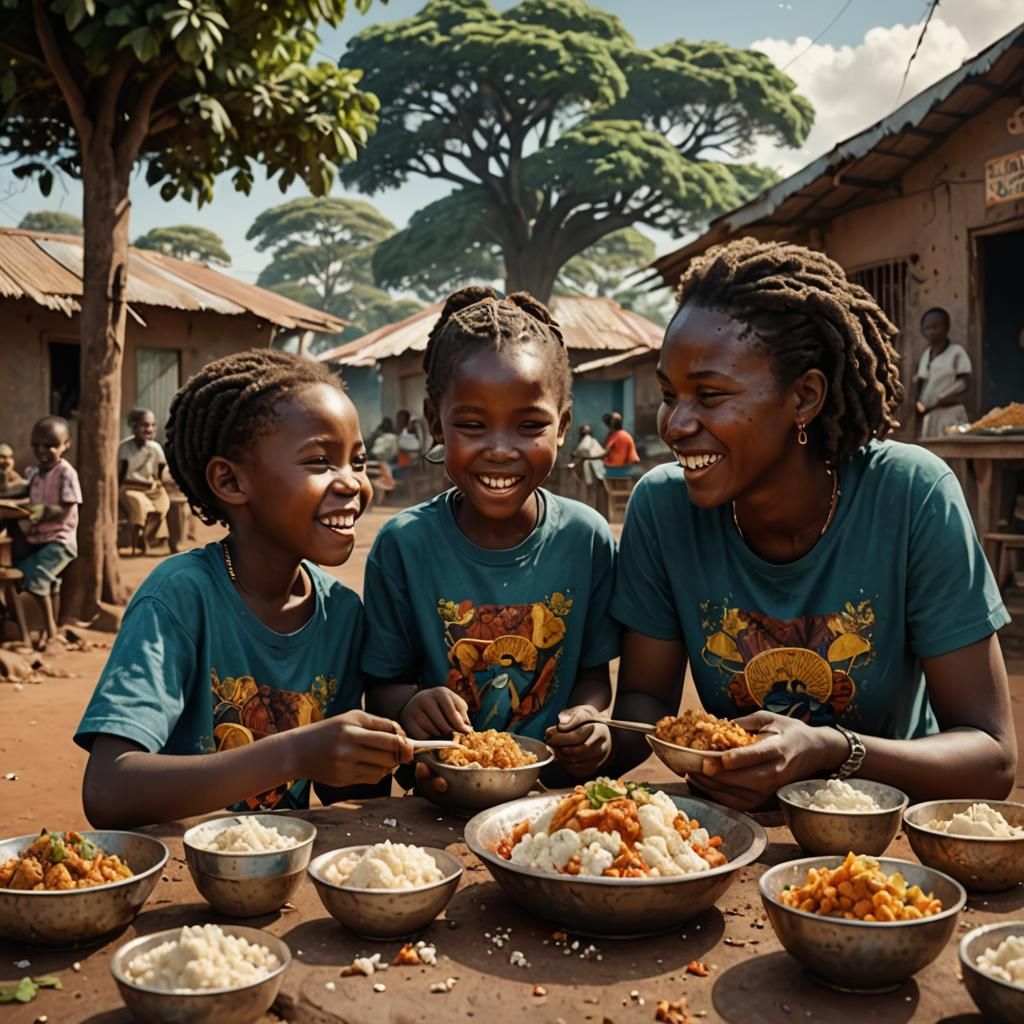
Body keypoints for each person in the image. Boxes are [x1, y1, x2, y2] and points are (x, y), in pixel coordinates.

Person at [607, 238, 1015, 810]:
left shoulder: (911, 497)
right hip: (735, 837)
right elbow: (645, 701)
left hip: (883, 849)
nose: (675, 425)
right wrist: (597, 738)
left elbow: (991, 758)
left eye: (710, 395)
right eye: (670, 394)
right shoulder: (664, 508)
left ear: (804, 397)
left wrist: (830, 750)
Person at [75, 350, 412, 828]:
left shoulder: (341, 613)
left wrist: (382, 751)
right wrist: (294, 752)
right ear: (230, 481)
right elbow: (108, 789)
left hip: (278, 881)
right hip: (185, 877)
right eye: (320, 461)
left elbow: (347, 795)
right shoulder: (178, 599)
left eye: (356, 461)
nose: (352, 483)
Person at [363, 288, 620, 779]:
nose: (500, 449)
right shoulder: (403, 545)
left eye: (529, 425)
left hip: (557, 803)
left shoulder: (585, 539)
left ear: (562, 426)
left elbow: (592, 679)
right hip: (440, 797)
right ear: (437, 426)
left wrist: (590, 720)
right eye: (473, 425)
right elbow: (382, 688)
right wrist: (413, 704)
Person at [13, 417, 82, 649]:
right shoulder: (33, 473)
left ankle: (50, 632)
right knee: (50, 584)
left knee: (36, 577)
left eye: (50, 445)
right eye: (36, 446)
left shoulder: (66, 473)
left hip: (59, 540)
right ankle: (46, 632)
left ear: (66, 445)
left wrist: (42, 511)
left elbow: (67, 508)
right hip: (38, 539)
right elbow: (21, 493)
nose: (42, 451)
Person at [118, 407, 170, 554]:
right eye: (145, 425)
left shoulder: (155, 448)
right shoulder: (124, 448)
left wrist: (160, 484)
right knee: (140, 505)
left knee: (162, 508)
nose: (149, 429)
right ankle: (136, 540)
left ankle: (146, 538)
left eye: (152, 425)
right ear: (133, 427)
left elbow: (161, 470)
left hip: (152, 489)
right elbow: (121, 473)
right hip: (130, 489)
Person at [915, 307, 972, 438]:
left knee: (952, 451)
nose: (931, 331)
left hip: (950, 413)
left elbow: (965, 382)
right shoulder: (926, 355)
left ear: (946, 327)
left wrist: (944, 396)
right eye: (927, 328)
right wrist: (920, 402)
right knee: (932, 453)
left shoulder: (956, 352)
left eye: (936, 326)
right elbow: (922, 382)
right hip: (930, 415)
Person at [601, 411, 641, 478]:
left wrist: (589, 457)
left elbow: (605, 453)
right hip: (626, 467)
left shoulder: (617, 436)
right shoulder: (623, 434)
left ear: (611, 424)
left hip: (619, 469)